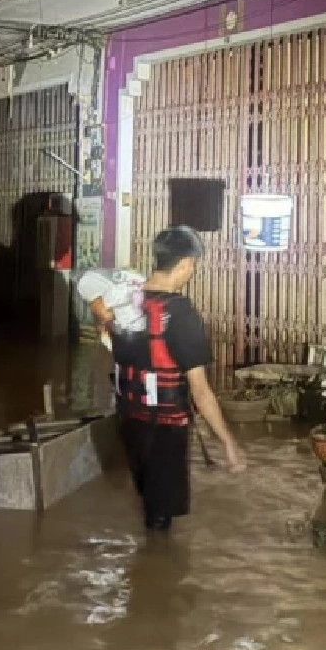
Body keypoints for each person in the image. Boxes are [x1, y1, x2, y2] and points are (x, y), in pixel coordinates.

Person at [110, 226, 246, 532]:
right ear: (185, 264)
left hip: (129, 418)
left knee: (149, 500)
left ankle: (148, 565)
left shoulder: (125, 302)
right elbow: (201, 391)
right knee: (160, 519)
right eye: (193, 266)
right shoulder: (182, 315)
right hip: (164, 427)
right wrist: (228, 444)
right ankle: (155, 572)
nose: (191, 273)